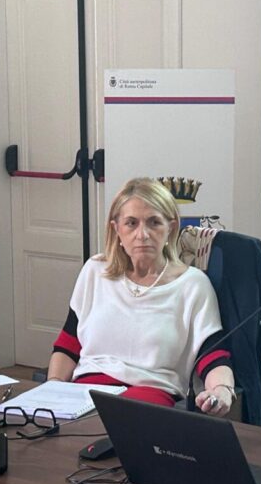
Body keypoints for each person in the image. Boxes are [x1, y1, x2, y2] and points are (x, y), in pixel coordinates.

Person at [47, 177, 236, 415]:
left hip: (149, 396)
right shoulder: (95, 271)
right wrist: (52, 388)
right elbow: (68, 345)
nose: (142, 234)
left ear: (171, 228)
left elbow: (213, 356)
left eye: (154, 222)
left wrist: (221, 390)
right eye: (131, 223)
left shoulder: (192, 285)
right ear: (116, 229)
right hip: (84, 394)